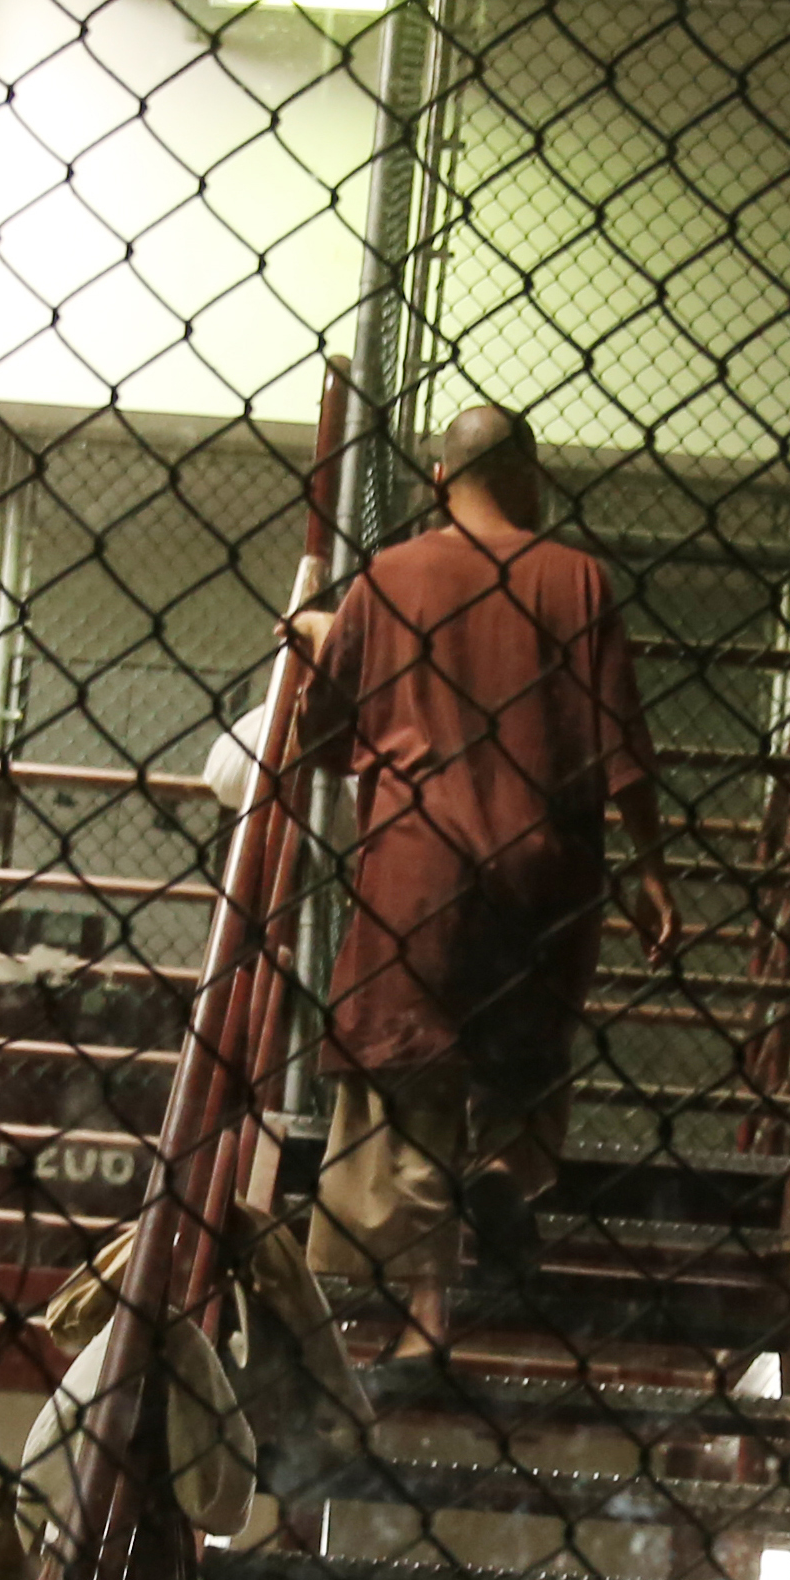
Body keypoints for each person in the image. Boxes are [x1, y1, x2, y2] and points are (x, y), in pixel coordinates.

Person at [294, 403, 676, 1361]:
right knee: (523, 1058)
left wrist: (324, 635)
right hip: (544, 868)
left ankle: (428, 1322)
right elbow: (619, 741)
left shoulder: (389, 578)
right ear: (531, 475)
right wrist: (654, 873)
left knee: (414, 1086)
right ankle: (504, 1167)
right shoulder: (575, 578)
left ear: (437, 480)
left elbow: (325, 732)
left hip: (419, 874)